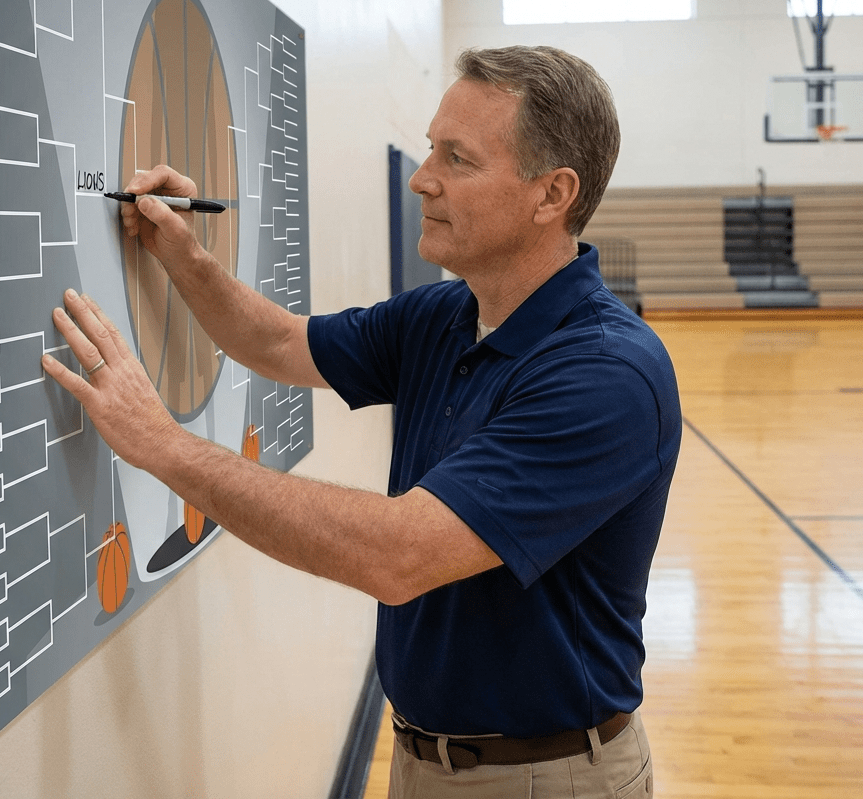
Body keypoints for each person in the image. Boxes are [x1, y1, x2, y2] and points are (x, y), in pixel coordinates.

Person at [42, 45, 681, 798]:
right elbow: (277, 342)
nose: (422, 177)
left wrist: (164, 447)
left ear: (552, 194)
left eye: (457, 158)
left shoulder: (606, 375)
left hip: (546, 778)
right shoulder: (445, 314)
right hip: (420, 759)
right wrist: (178, 250)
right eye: (429, 148)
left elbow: (397, 555)